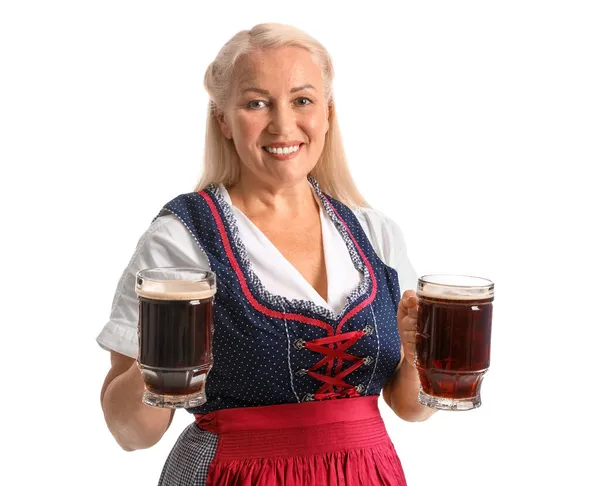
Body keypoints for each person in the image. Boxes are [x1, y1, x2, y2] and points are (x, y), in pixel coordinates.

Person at [97, 22, 436, 486]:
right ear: (224, 120)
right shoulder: (182, 238)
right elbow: (131, 433)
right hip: (233, 475)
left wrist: (418, 355)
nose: (283, 124)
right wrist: (165, 356)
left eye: (302, 100)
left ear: (327, 113)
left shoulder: (374, 233)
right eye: (257, 102)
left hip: (367, 474)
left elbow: (410, 407)